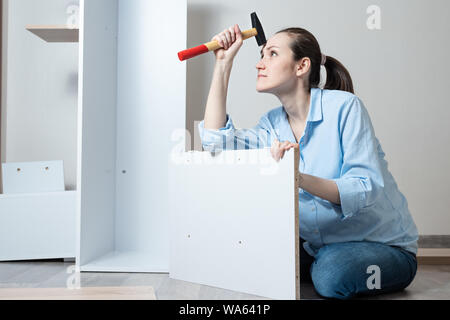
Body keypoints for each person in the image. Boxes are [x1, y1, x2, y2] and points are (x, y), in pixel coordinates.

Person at [198, 24, 418, 300]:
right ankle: (310, 262)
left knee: (330, 274)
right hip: (317, 245)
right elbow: (216, 144)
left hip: (382, 248)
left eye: (272, 54)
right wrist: (222, 63)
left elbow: (363, 188)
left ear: (302, 66)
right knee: (242, 257)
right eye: (262, 55)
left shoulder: (345, 107)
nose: (259, 64)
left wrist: (296, 176)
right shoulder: (271, 125)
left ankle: (314, 265)